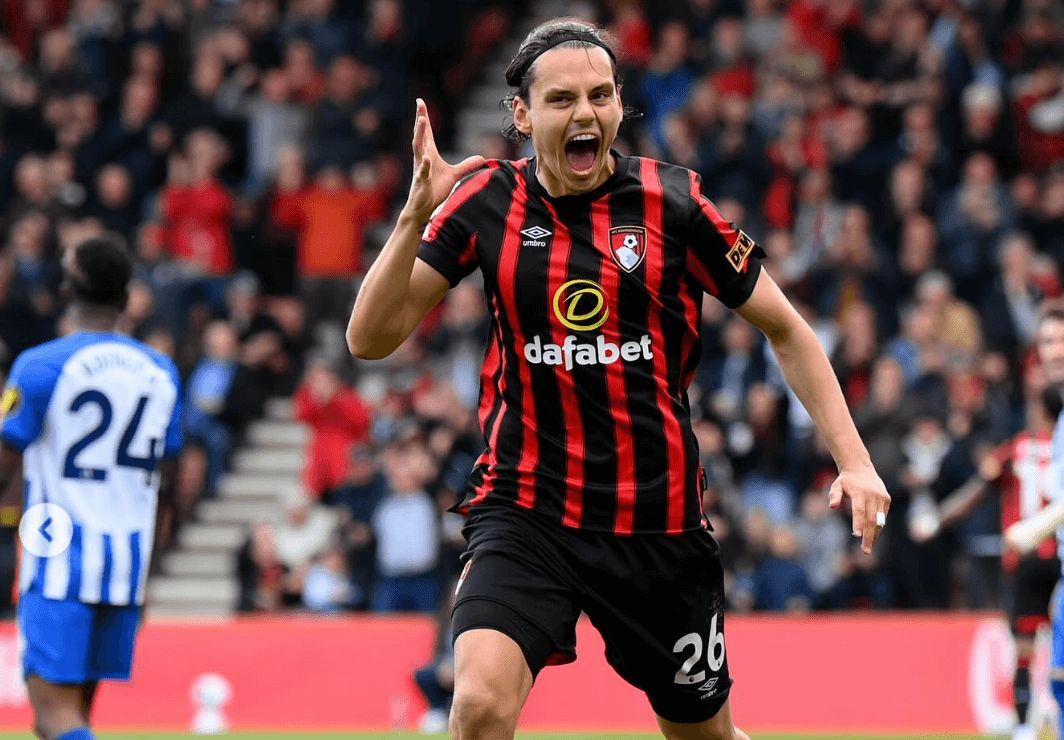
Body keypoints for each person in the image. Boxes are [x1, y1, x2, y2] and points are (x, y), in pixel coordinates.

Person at [348, 19, 890, 740]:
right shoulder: (485, 203)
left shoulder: (673, 204)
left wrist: (854, 460)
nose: (585, 114)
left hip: (656, 524)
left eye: (601, 95)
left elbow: (787, 328)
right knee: (477, 706)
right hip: (526, 506)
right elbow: (369, 337)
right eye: (563, 98)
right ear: (521, 114)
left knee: (704, 736)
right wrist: (414, 215)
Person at [0, 237, 183, 740]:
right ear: (127, 299)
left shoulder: (39, 366)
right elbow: (168, 484)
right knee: (75, 716)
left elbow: (4, 457)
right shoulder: (161, 373)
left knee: (53, 716)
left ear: (66, 290)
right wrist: (148, 573)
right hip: (125, 567)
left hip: (58, 560)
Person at [911, 390, 1059, 740]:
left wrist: (936, 520)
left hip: (1025, 556)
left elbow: (978, 491)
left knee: (1023, 646)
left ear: (1038, 411)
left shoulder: (1015, 449)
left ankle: (1024, 727)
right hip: (1059, 555)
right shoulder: (1058, 448)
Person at [1029, 301, 1064, 740]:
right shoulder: (1059, 423)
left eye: (1061, 341)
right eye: (1047, 342)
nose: (1054, 351)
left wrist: (1034, 527)